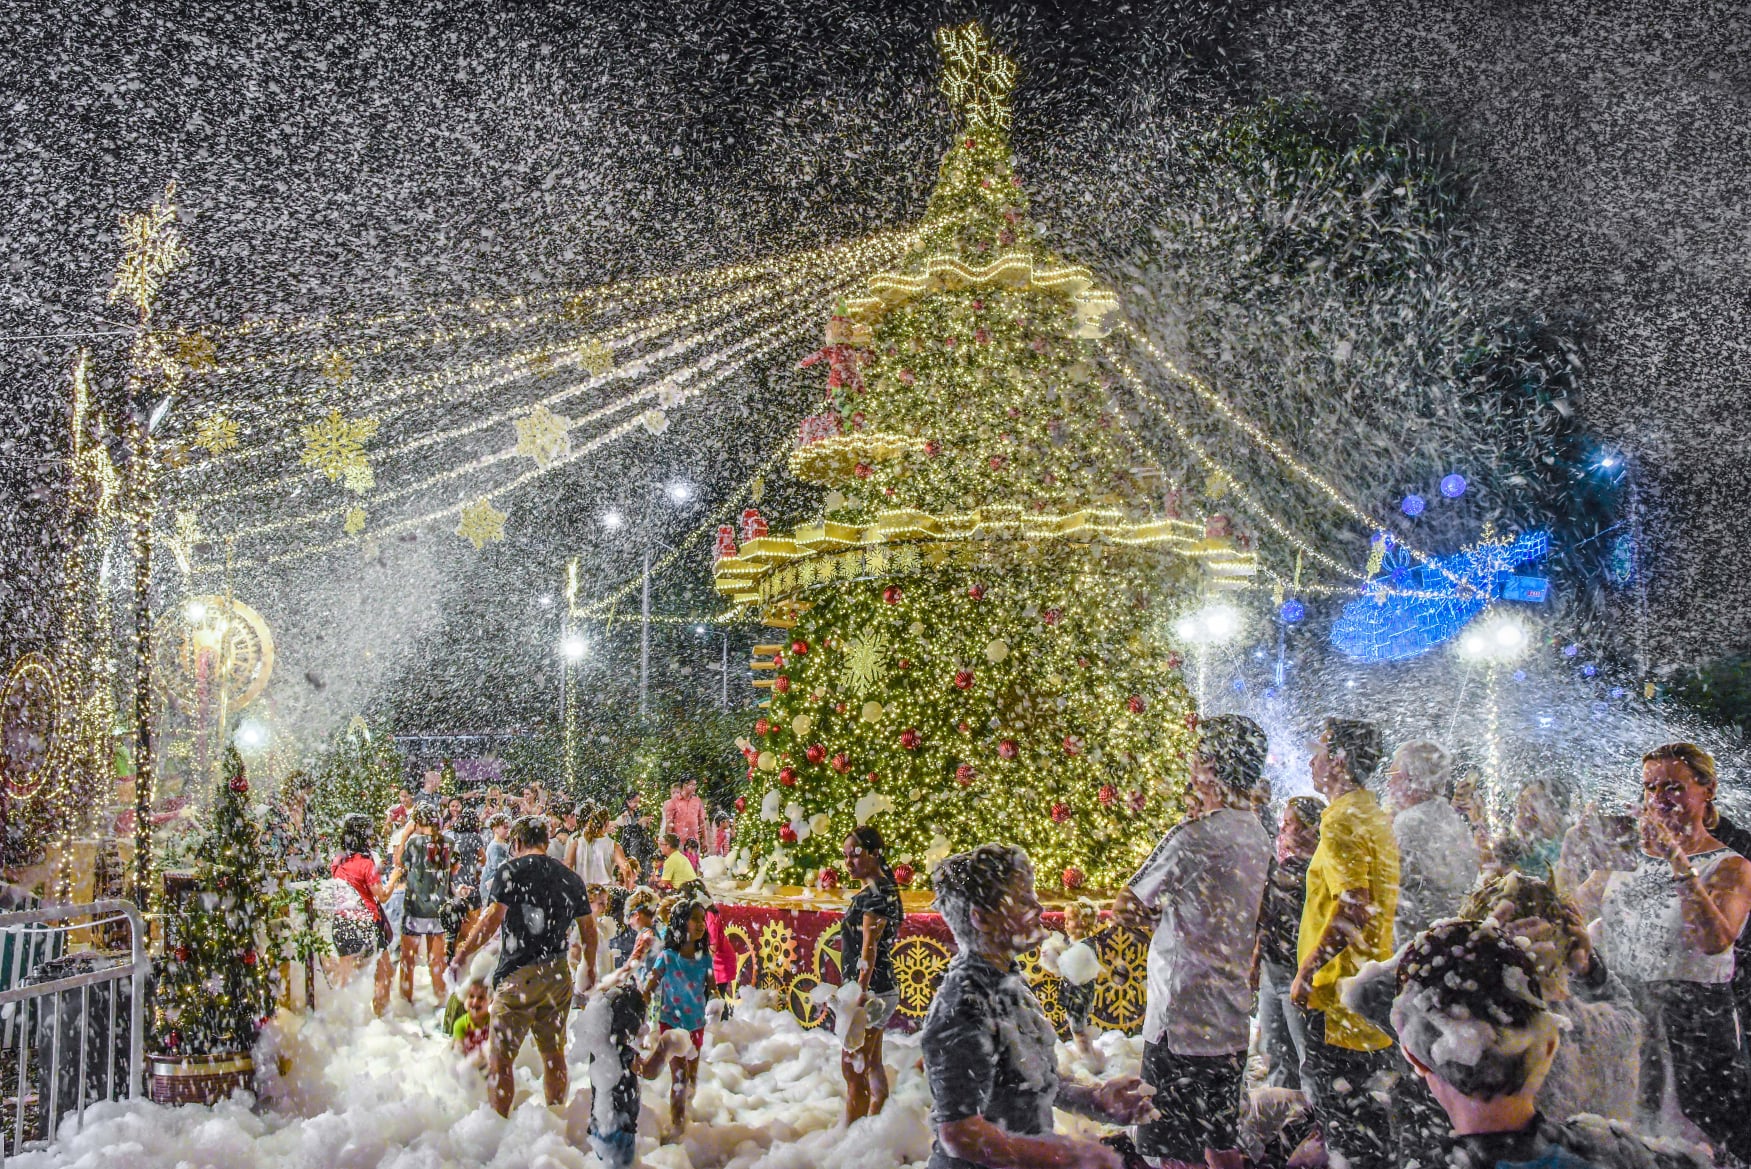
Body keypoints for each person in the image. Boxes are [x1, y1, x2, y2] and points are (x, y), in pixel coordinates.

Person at [1390, 918, 1707, 1169]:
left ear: (1413, 1055)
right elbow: (1626, 1019)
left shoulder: (1428, 1154)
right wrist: (1590, 970)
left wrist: (1469, 945)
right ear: (1549, 1043)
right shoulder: (1620, 1153)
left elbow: (1366, 996)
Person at [922, 843, 1159, 1169]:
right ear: (982, 918)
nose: (1038, 905)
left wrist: (1095, 1099)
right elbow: (959, 1132)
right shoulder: (963, 1005)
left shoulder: (1004, 983)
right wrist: (1065, 1156)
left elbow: (1033, 1078)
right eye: (1022, 899)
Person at [1111, 713, 1273, 1169]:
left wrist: (1155, 921)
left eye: (1198, 759)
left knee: (1167, 1151)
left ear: (1212, 767)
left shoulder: (1194, 837)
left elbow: (1130, 903)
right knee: (1220, 1140)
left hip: (1180, 1021)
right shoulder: (1257, 834)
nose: (1191, 769)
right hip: (1228, 1016)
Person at [1585, 742, 1751, 1157]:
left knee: (1692, 1145)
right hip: (1627, 1020)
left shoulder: (1732, 865)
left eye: (1673, 787)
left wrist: (1677, 859)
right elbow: (1575, 913)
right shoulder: (1623, 857)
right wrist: (1570, 861)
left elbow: (1713, 939)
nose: (1658, 799)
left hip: (1692, 1026)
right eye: (1650, 788)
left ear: (1707, 789)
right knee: (1625, 1138)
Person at [1288, 717, 1399, 1169]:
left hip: (1336, 997)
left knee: (1345, 1128)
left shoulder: (1339, 819)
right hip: (1366, 989)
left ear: (1339, 760)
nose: (1312, 760)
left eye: (1319, 750)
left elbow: (1353, 904)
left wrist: (1308, 970)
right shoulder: (1372, 812)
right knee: (1369, 1122)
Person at [450, 815, 598, 1118]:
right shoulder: (570, 878)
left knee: (501, 1059)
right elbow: (589, 930)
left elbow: (492, 918)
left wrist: (462, 955)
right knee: (554, 1054)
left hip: (519, 974)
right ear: (545, 843)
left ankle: (499, 1125)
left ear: (515, 843)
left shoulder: (510, 871)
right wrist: (590, 967)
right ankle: (556, 1120)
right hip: (557, 974)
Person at [1252, 795, 1323, 1090]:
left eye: (1291, 824)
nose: (1284, 830)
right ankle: (1283, 1115)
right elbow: (1267, 918)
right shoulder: (1285, 867)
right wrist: (1256, 959)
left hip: (1298, 971)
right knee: (1275, 1050)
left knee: (1306, 1056)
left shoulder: (1318, 870)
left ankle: (1312, 1116)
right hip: (1273, 969)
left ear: (1311, 829)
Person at [1384, 739, 1480, 947]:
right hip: (1446, 938)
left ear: (1412, 779)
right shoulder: (1450, 818)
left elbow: (1388, 886)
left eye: (1393, 775)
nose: (1388, 784)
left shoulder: (1409, 823)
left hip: (1412, 943)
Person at [840, 825, 904, 1124]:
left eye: (855, 854)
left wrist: (860, 994)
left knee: (852, 1065)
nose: (848, 862)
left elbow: (870, 948)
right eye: (845, 856)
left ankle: (854, 1133)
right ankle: (876, 1128)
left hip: (873, 992)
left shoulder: (878, 894)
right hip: (881, 988)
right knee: (871, 1061)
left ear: (874, 853)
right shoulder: (880, 889)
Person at [643, 894, 716, 1135]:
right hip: (672, 1026)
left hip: (696, 1025)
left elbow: (712, 988)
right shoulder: (668, 957)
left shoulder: (704, 959)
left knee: (691, 1077)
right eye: (695, 919)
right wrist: (639, 1007)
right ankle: (677, 1127)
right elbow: (650, 985)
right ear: (680, 923)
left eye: (703, 920)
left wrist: (716, 1003)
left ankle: (684, 1115)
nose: (701, 924)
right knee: (680, 1076)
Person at [329, 813, 393, 1016]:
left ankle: (344, 1020)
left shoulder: (338, 861)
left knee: (346, 977)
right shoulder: (366, 864)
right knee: (384, 970)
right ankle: (380, 1018)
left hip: (342, 923)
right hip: (365, 925)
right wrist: (395, 877)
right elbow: (381, 896)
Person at [391, 801, 453, 1003]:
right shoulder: (448, 842)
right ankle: (441, 1001)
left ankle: (406, 1003)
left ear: (417, 821)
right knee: (437, 961)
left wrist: (405, 834)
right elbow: (454, 868)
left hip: (416, 906)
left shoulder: (414, 843)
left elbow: (399, 863)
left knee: (408, 959)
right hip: (439, 906)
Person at [445, 806, 487, 950]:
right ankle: (465, 957)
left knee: (453, 930)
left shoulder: (449, 835)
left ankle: (452, 955)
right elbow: (483, 860)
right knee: (473, 928)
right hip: (470, 888)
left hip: (451, 888)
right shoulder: (474, 838)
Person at [664, 779, 707, 866]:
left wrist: (704, 840)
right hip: (679, 843)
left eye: (695, 785)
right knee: (680, 870)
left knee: (693, 869)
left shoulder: (697, 801)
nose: (694, 787)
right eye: (691, 785)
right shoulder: (674, 801)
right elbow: (669, 824)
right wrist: (669, 843)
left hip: (694, 842)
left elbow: (702, 821)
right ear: (684, 786)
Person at [451, 977, 492, 1065]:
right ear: (465, 998)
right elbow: (458, 1053)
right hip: (467, 1067)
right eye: (471, 996)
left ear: (490, 1000)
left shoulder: (493, 1023)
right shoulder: (460, 1024)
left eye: (481, 997)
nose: (475, 1001)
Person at [480, 812, 511, 898]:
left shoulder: (504, 845)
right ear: (495, 829)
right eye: (505, 827)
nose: (508, 830)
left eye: (508, 827)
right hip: (490, 888)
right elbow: (500, 866)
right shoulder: (495, 846)